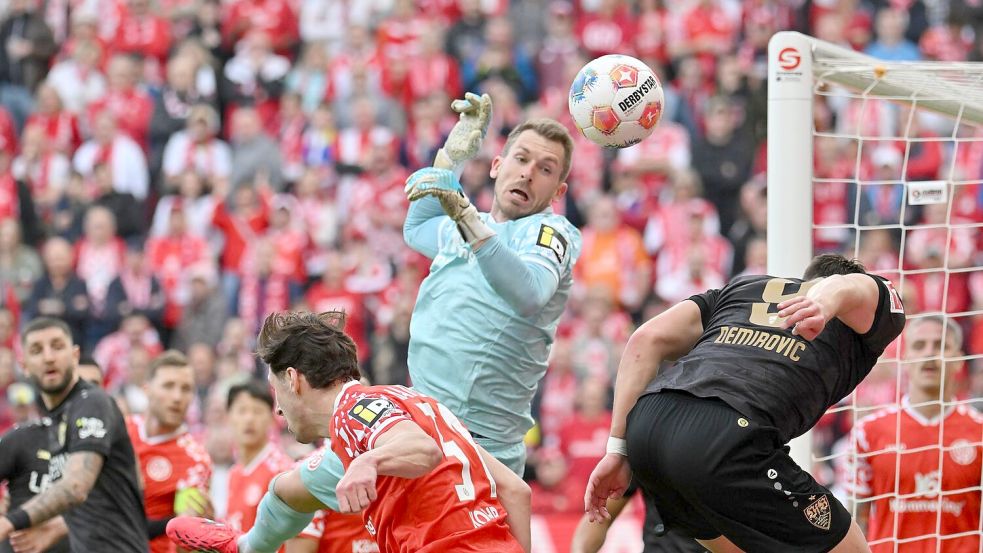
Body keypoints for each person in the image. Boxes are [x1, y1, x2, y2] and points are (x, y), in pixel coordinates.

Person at [585, 254, 908, 552]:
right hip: (725, 436)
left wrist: (618, 449)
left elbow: (646, 338)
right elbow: (854, 286)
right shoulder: (858, 313)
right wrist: (822, 303)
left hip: (648, 429)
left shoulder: (740, 289)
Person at [166, 311, 531, 553]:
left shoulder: (352, 413)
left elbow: (420, 450)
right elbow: (516, 490)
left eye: (275, 392)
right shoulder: (425, 405)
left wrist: (368, 462)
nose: (277, 409)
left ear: (293, 380)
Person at [402, 93, 582, 474]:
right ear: (497, 166)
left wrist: (464, 214)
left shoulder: (550, 231)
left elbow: (530, 292)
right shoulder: (470, 223)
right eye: (521, 159)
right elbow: (416, 227)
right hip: (420, 424)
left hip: (479, 448)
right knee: (295, 489)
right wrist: (452, 155)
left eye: (546, 170)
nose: (528, 173)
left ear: (558, 192)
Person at [0, 317, 147, 551]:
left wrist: (9, 521)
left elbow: (76, 487)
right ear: (24, 365)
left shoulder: (92, 401)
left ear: (75, 356)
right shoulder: (55, 420)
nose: (49, 357)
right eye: (37, 350)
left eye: (57, 346)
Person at [843, 315, 981, 552]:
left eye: (941, 346)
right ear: (905, 358)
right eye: (919, 345)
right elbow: (858, 519)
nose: (930, 354)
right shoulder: (868, 432)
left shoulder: (979, 432)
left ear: (959, 360)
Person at [0, 360, 104, 553]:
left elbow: (130, 513)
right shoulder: (21, 438)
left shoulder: (115, 451)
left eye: (94, 386)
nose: (87, 397)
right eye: (80, 385)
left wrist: (60, 527)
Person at [125, 350, 213, 553]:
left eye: (186, 389)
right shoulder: (121, 431)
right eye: (168, 386)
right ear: (146, 389)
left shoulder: (194, 460)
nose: (177, 397)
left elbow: (186, 535)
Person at [224, 380, 314, 551]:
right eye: (242, 411)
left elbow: (298, 537)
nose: (249, 418)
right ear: (229, 417)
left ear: (272, 419)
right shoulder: (232, 474)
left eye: (257, 411)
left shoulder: (282, 471)